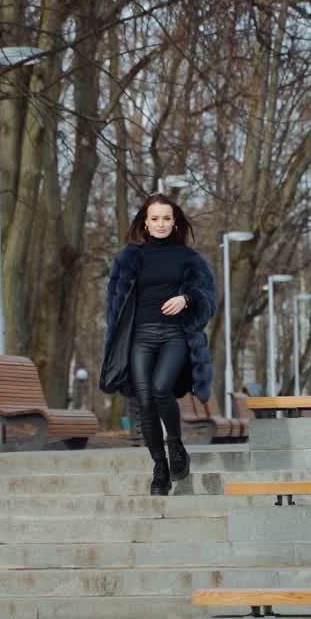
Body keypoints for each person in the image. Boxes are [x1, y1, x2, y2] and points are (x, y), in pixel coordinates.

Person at [99, 194, 217, 495]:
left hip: (174, 336)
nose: (161, 223)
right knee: (145, 400)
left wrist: (187, 298)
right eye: (155, 218)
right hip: (140, 337)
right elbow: (114, 304)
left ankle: (176, 447)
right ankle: (160, 467)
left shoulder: (189, 259)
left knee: (161, 388)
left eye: (166, 218)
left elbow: (208, 299)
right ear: (145, 223)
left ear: (174, 221)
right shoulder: (129, 257)